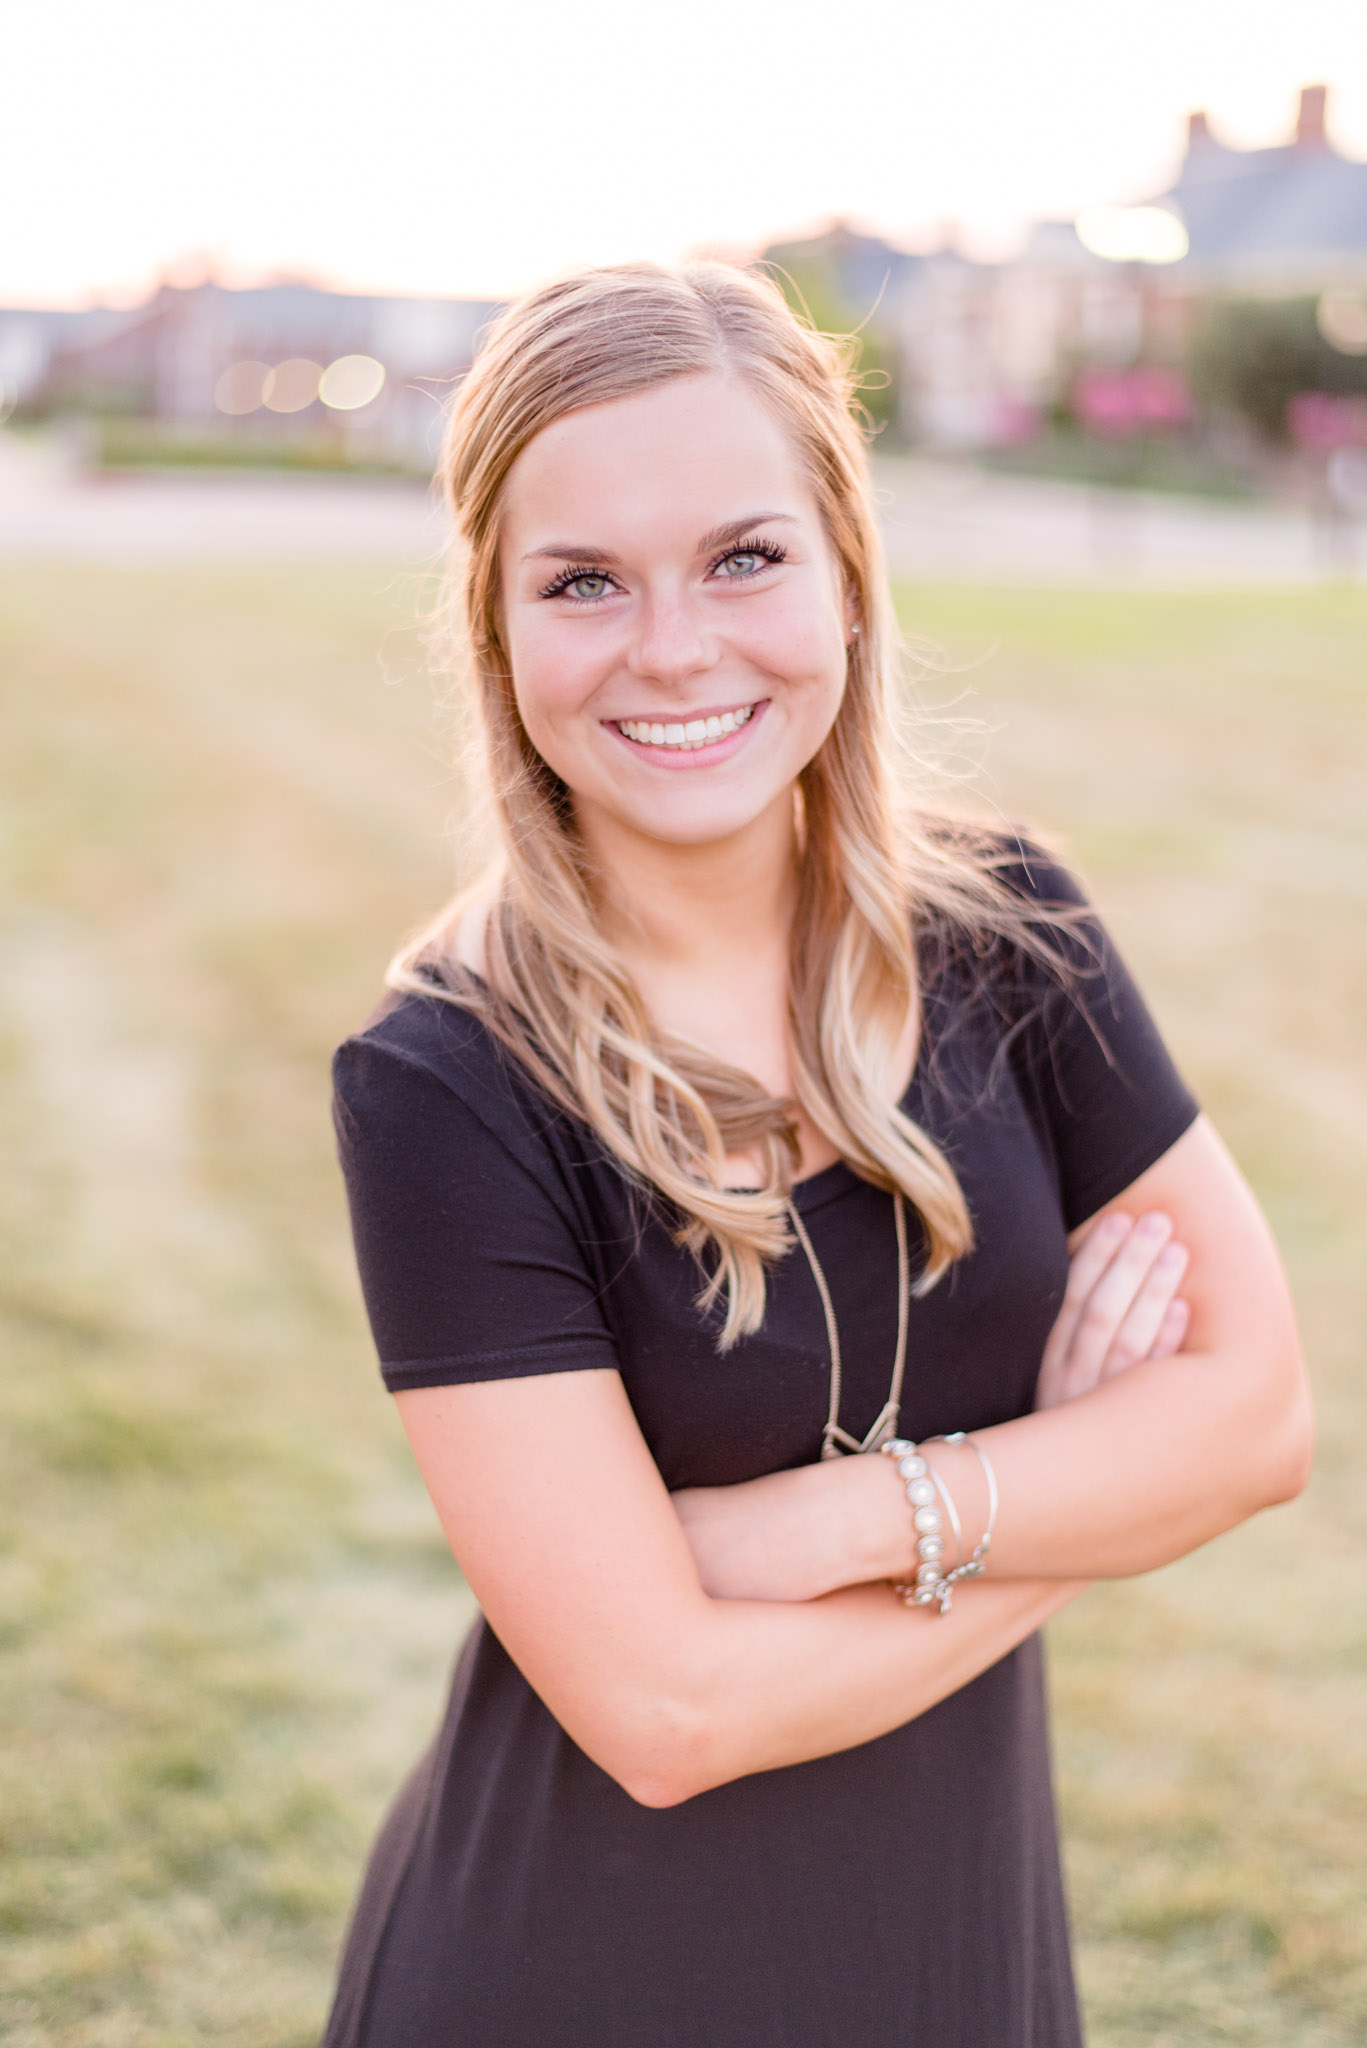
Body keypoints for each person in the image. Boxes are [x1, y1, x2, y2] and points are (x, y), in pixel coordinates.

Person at [324, 263, 1311, 2048]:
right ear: (497, 630)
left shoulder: (1013, 933)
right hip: (572, 1974)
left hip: (956, 1953)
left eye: (745, 555)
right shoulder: (442, 1083)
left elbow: (1263, 1421)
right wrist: (1091, 1495)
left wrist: (817, 1527)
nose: (676, 647)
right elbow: (664, 1709)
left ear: (849, 570)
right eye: (584, 584)